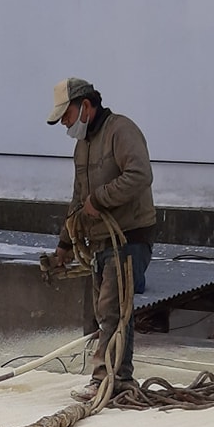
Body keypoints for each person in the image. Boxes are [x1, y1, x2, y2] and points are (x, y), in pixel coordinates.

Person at [43, 78, 156, 394]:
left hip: (129, 236)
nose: (65, 123)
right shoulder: (83, 146)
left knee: (112, 309)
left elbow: (140, 175)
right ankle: (116, 379)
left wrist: (101, 199)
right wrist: (65, 244)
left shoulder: (121, 131)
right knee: (106, 311)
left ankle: (108, 380)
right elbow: (78, 199)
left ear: (86, 106)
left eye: (66, 115)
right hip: (101, 240)